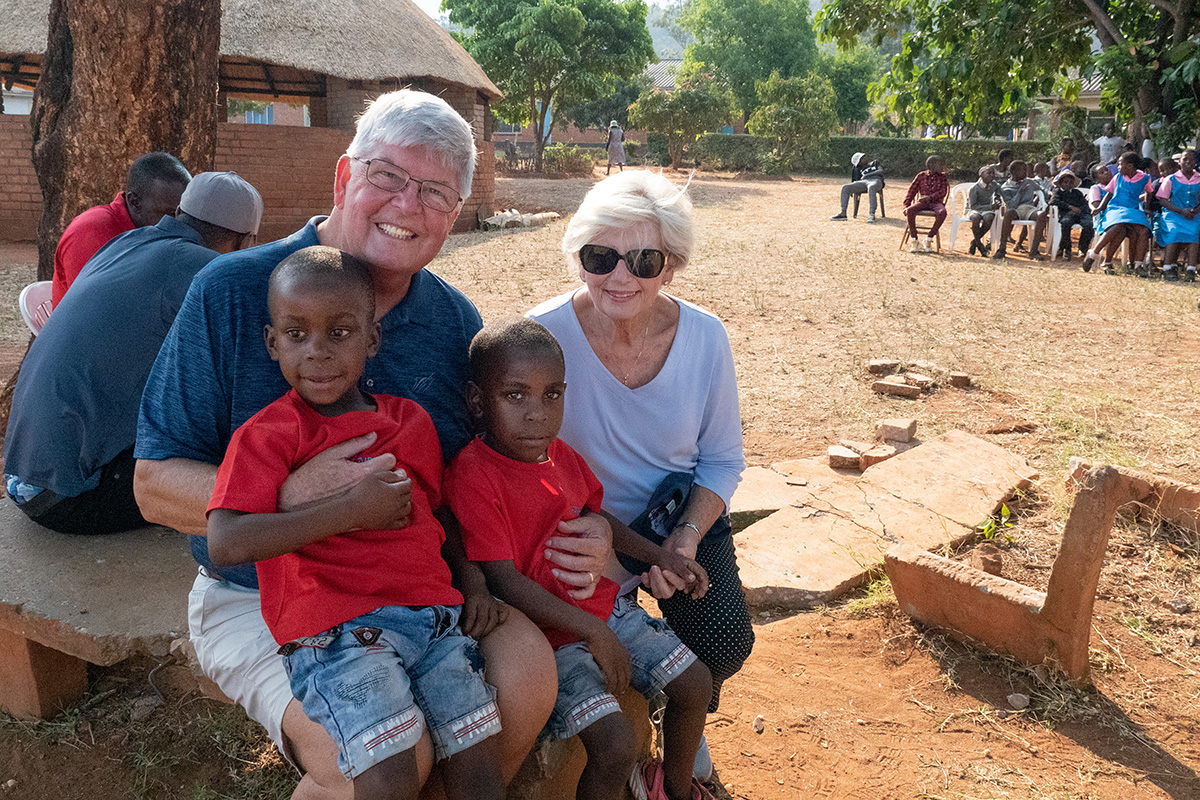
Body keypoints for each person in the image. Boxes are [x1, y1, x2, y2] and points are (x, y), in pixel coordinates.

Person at [134, 89, 607, 800]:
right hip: (261, 596)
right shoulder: (235, 293)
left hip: (419, 591)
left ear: (453, 218)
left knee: (529, 677)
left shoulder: (453, 325)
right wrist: (295, 497)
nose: (406, 203)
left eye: (435, 192)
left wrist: (598, 531)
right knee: (387, 761)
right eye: (386, 176)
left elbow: (480, 478)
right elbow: (153, 483)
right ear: (343, 178)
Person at [207, 248, 504, 800]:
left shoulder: (410, 422)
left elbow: (438, 513)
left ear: (372, 339)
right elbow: (226, 540)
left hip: (433, 621)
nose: (317, 352)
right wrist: (347, 511)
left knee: (479, 764)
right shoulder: (267, 435)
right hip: (337, 634)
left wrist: (475, 581)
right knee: (390, 777)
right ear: (273, 343)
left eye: (339, 333)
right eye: (296, 335)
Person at [528, 172, 753, 783]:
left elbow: (723, 458)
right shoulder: (539, 336)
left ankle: (685, 718)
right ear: (579, 258)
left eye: (643, 259)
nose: (619, 276)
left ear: (671, 267)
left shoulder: (705, 337)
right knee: (577, 648)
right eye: (600, 256)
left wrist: (681, 539)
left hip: (673, 515)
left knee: (725, 642)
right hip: (577, 525)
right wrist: (592, 542)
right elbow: (514, 462)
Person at [446, 316, 716, 800]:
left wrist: (664, 557)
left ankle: (675, 789)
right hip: (553, 637)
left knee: (696, 683)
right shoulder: (473, 474)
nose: (537, 413)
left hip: (607, 612)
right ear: (477, 400)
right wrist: (595, 633)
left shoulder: (560, 455)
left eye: (552, 394)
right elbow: (504, 580)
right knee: (614, 744)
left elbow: (600, 519)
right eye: (515, 395)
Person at [4, 171, 262, 535]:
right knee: (248, 447)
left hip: (23, 475)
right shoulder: (207, 270)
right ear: (245, 240)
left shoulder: (124, 242)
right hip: (67, 498)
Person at [51, 152, 191, 307]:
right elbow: (95, 306)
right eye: (170, 214)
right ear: (135, 202)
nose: (180, 224)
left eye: (184, 214)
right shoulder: (92, 231)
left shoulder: (155, 233)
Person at [1086, 151, 1153, 276]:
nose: (1118, 168)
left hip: (1133, 210)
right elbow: (1109, 193)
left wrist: (1147, 206)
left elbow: (1149, 192)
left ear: (1130, 166)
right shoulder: (1118, 177)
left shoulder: (1145, 178)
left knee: (1144, 230)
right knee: (1118, 226)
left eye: (1120, 164)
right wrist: (1100, 208)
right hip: (1115, 208)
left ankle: (1138, 265)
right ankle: (1094, 253)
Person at [1155, 149, 1200, 282]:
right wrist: (1181, 211)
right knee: (1174, 232)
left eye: (1191, 159)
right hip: (1173, 214)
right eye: (1184, 159)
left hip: (1193, 215)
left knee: (1194, 233)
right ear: (1179, 162)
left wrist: (1195, 211)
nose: (1187, 162)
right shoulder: (1171, 179)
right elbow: (1162, 199)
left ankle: (1190, 269)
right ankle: (1167, 267)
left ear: (1196, 163)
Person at [992, 161, 1049, 261]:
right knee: (1009, 214)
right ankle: (1002, 248)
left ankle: (1034, 250)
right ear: (1013, 171)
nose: (1025, 172)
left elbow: (1042, 191)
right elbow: (1011, 205)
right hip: (1016, 209)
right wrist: (1019, 192)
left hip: (1029, 209)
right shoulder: (1005, 188)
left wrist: (1046, 198)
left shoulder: (1029, 182)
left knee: (1042, 215)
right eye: (1023, 170)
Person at [903, 155, 949, 253]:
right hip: (922, 203)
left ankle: (929, 238)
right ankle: (914, 239)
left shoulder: (943, 177)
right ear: (931, 165)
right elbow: (912, 190)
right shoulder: (921, 176)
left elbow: (943, 192)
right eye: (940, 164)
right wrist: (906, 205)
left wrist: (930, 197)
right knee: (910, 210)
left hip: (936, 203)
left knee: (942, 212)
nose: (942, 167)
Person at [1049, 171, 1093, 261]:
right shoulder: (1057, 192)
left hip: (1080, 214)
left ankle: (1083, 248)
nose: (1068, 184)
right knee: (1066, 223)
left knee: (1089, 224)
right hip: (1066, 214)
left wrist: (1079, 210)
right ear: (1060, 183)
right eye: (1065, 182)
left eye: (1070, 182)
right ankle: (1067, 248)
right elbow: (1053, 201)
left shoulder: (1077, 193)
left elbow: (1085, 204)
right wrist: (1070, 207)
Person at [831, 152, 886, 222]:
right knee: (845, 187)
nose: (863, 159)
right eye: (861, 159)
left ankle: (872, 214)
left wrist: (867, 174)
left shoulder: (875, 163)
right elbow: (855, 181)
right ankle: (843, 213)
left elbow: (881, 171)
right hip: (863, 182)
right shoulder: (858, 169)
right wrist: (852, 189)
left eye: (863, 158)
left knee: (871, 187)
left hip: (876, 180)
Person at [966, 165, 1001, 256]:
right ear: (981, 175)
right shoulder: (975, 188)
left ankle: (974, 242)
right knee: (975, 218)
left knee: (989, 218)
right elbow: (973, 206)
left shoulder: (994, 185)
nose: (991, 175)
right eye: (988, 173)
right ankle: (980, 245)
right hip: (974, 209)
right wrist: (991, 206)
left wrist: (998, 200)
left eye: (993, 173)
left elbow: (1000, 192)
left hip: (987, 209)